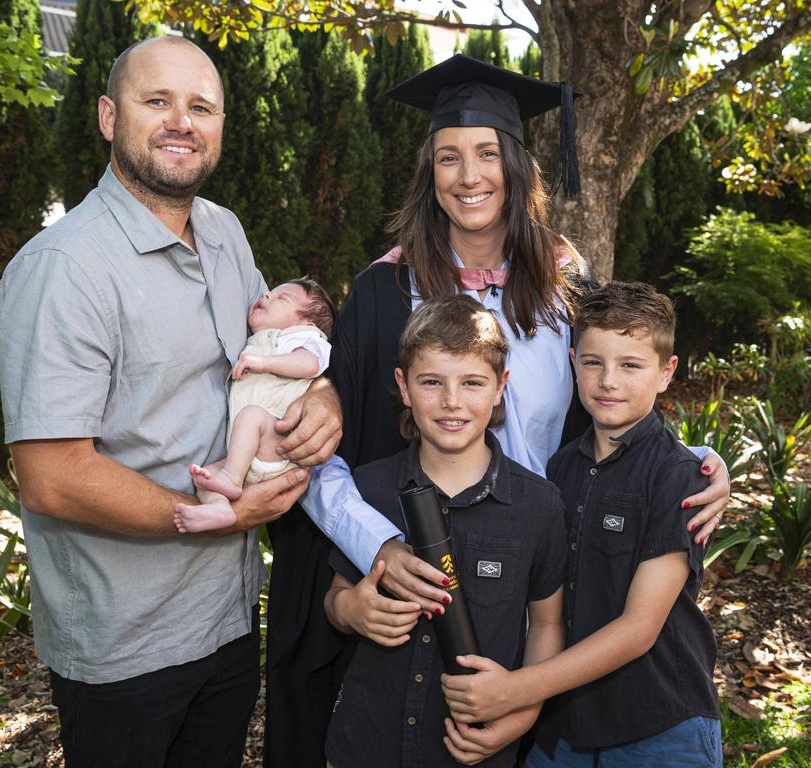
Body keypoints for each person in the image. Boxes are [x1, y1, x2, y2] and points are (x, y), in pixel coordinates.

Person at [264, 55, 730, 767]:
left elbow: (619, 391)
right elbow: (334, 456)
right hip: (414, 577)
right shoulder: (385, 293)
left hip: (545, 585)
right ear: (430, 174)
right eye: (448, 157)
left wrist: (697, 464)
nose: (469, 175)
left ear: (517, 165)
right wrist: (379, 548)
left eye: (487, 153)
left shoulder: (565, 290)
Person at [0, 37, 340, 768]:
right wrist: (214, 516)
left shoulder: (224, 233)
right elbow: (51, 475)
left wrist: (326, 391)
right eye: (158, 101)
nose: (182, 121)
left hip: (229, 616)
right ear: (108, 116)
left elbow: (284, 341)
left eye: (201, 107)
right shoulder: (64, 269)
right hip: (128, 643)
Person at [441, 282, 721, 767]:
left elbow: (638, 629)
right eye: (593, 362)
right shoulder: (559, 470)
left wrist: (513, 690)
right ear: (573, 362)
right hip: (564, 727)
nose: (608, 380)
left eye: (631, 365)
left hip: (658, 723)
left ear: (666, 372)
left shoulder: (678, 475)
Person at [324, 295, 567, 768]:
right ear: (404, 386)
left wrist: (523, 710)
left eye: (472, 382)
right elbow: (336, 597)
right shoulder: (367, 489)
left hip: (473, 751)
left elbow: (547, 623)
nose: (451, 401)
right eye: (431, 382)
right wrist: (352, 610)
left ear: (501, 387)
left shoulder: (539, 505)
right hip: (368, 743)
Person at [175, 279, 336, 533]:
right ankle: (220, 508)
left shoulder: (304, 337)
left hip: (275, 442)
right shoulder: (260, 340)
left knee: (252, 417)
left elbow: (309, 364)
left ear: (307, 322)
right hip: (246, 456)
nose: (268, 296)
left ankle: (231, 479)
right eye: (270, 293)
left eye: (282, 298)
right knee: (205, 476)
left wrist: (262, 362)